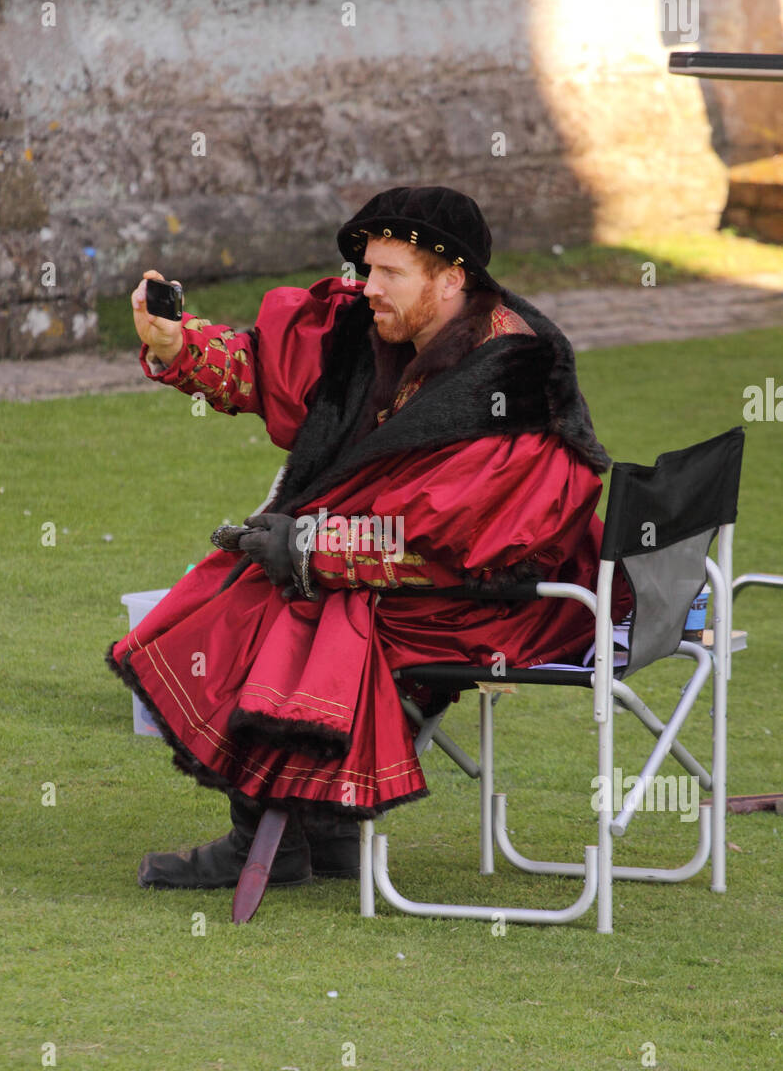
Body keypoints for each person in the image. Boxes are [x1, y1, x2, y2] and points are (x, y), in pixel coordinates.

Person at [105, 185, 632, 912]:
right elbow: (271, 370)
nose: (367, 288)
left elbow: (453, 545)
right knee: (267, 588)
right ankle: (315, 826)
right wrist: (177, 343)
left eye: (390, 274)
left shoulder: (515, 383)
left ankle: (271, 836)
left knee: (271, 610)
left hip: (494, 604)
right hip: (432, 581)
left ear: (453, 281)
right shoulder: (378, 328)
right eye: (366, 268)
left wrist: (310, 550)